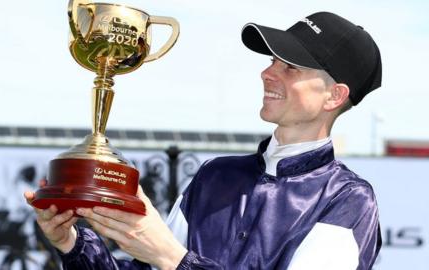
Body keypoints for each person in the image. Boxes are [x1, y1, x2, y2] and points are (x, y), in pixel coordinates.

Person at [25, 11, 382, 270]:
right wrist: (71, 244)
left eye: (291, 68)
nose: (267, 72)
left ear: (334, 96)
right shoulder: (215, 175)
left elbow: (169, 259)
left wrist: (171, 256)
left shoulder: (348, 200)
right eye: (273, 60)